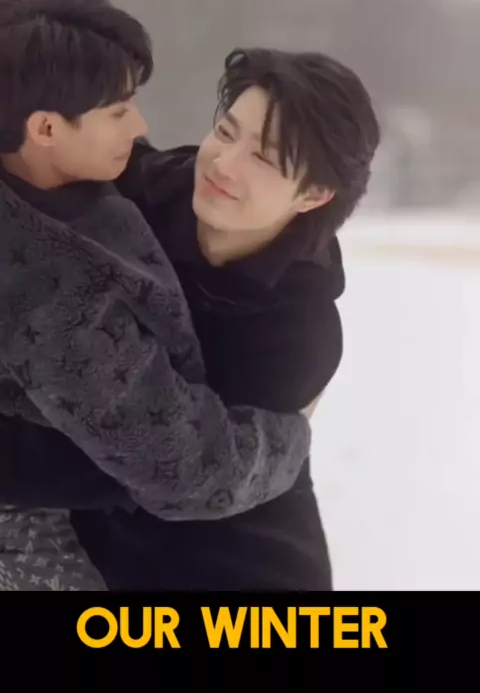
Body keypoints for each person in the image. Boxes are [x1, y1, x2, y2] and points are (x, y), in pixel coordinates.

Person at [1, 40, 380, 589]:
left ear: (314, 194)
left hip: (224, 540)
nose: (224, 164)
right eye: (225, 132)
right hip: (81, 517)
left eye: (264, 158)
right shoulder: (136, 187)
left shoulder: (296, 337)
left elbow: (150, 462)